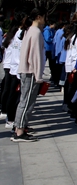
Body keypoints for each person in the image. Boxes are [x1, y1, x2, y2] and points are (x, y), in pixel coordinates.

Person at [12, 8, 46, 142]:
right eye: (44, 16)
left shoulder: (29, 30)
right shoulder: (36, 32)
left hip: (26, 70)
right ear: (39, 17)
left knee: (24, 101)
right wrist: (38, 75)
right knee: (27, 102)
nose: (45, 19)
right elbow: (36, 56)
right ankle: (20, 131)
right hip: (30, 71)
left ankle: (19, 127)